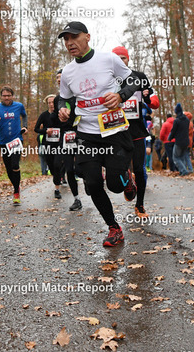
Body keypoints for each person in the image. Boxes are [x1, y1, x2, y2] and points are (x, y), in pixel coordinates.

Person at [56, 21, 139, 247]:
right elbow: (64, 98)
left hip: (114, 130)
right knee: (92, 184)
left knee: (115, 185)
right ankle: (114, 227)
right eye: (66, 39)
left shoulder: (108, 59)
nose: (70, 43)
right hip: (87, 133)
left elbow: (134, 80)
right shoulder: (68, 72)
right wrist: (63, 109)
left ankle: (126, 178)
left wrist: (121, 96)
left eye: (74, 37)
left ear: (87, 37)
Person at [112, 46, 159, 218]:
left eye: (123, 58)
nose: (120, 61)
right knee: (118, 168)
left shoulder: (139, 77)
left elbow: (153, 101)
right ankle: (127, 181)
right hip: (116, 129)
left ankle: (140, 205)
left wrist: (149, 98)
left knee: (139, 169)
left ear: (128, 59)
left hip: (137, 129)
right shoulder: (108, 78)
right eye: (116, 58)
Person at [0, 86, 27, 205]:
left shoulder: (19, 106)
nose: (6, 98)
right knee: (9, 168)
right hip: (4, 142)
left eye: (8, 95)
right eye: (4, 96)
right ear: (1, 96)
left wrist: (25, 126)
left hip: (16, 140)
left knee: (15, 165)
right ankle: (16, 186)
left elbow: (24, 115)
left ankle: (16, 192)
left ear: (12, 96)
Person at [51, 70, 82, 211]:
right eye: (57, 78)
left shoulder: (79, 95)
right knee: (69, 169)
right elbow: (55, 120)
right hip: (66, 137)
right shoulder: (58, 99)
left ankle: (87, 181)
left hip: (81, 134)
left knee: (81, 169)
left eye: (61, 77)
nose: (59, 79)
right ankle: (77, 199)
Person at [34, 94, 60, 195]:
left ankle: (57, 189)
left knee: (57, 165)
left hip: (58, 145)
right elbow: (36, 129)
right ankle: (56, 177)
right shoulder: (44, 115)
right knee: (51, 166)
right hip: (47, 145)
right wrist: (45, 131)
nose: (51, 104)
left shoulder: (60, 114)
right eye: (49, 103)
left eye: (53, 102)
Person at [168, 103, 193, 176]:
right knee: (182, 157)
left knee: (175, 157)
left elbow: (173, 131)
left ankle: (184, 171)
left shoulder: (177, 120)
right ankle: (182, 171)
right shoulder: (187, 120)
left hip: (179, 141)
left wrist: (170, 138)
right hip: (186, 141)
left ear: (176, 112)